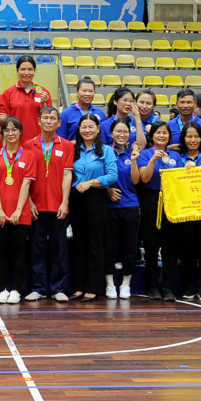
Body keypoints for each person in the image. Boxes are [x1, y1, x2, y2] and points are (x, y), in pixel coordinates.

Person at [24, 106, 73, 302]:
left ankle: (57, 288)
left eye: (53, 118)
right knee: (36, 248)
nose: (48, 121)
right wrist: (29, 202)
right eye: (45, 117)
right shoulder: (28, 145)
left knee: (58, 248)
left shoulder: (67, 145)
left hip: (58, 205)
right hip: (35, 205)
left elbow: (67, 175)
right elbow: (25, 177)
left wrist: (64, 202)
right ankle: (38, 288)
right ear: (39, 121)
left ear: (59, 123)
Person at [0, 117, 38, 304]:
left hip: (20, 212)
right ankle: (3, 289)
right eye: (6, 130)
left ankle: (16, 289)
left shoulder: (29, 156)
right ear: (2, 133)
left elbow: (26, 185)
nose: (10, 133)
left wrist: (18, 210)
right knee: (1, 251)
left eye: (14, 129)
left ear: (20, 132)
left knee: (18, 251)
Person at [69, 114, 117, 301]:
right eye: (84, 127)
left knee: (94, 243)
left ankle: (93, 287)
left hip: (95, 198)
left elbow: (112, 176)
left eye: (91, 127)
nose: (87, 130)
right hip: (75, 198)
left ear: (98, 129)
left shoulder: (106, 150)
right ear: (79, 129)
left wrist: (91, 182)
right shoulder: (73, 149)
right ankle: (79, 287)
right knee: (79, 243)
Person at [172, 122, 201, 300]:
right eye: (189, 136)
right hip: (185, 211)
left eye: (196, 136)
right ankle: (191, 286)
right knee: (187, 250)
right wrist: (183, 172)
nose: (193, 140)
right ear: (183, 138)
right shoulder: (177, 158)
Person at [137, 121, 182, 301]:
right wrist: (153, 160)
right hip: (151, 200)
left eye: (165, 133)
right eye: (158, 132)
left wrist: (188, 169)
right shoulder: (145, 154)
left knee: (171, 247)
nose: (161, 135)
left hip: (171, 201)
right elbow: (144, 178)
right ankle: (153, 287)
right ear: (152, 135)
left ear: (169, 136)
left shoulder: (176, 156)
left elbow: (181, 181)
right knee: (151, 246)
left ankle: (169, 287)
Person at [104, 118, 142, 300]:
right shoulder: (105, 152)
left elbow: (136, 180)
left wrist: (134, 161)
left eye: (125, 131)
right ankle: (110, 284)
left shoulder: (132, 153)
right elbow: (99, 175)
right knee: (109, 246)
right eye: (118, 131)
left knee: (130, 247)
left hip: (130, 205)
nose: (122, 134)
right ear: (111, 133)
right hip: (109, 207)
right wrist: (108, 189)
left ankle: (126, 284)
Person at [2, 55, 53, 141]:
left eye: (30, 69)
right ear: (17, 71)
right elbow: (5, 120)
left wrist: (43, 103)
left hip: (38, 141)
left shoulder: (44, 92)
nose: (26, 73)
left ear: (34, 71)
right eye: (23, 69)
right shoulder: (8, 93)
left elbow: (49, 119)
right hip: (15, 141)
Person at [59, 76, 105, 141]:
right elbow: (61, 140)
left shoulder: (100, 113)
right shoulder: (66, 114)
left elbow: (104, 138)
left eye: (91, 91)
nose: (88, 94)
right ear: (77, 92)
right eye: (84, 91)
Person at [100, 87, 146, 151]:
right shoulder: (104, 125)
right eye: (124, 100)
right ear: (115, 101)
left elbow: (141, 146)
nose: (128, 104)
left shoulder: (136, 122)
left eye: (131, 101)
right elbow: (102, 149)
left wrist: (138, 121)